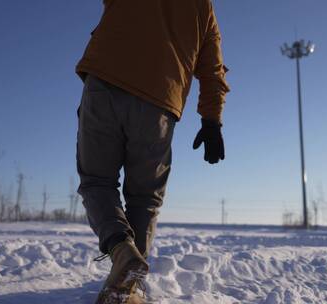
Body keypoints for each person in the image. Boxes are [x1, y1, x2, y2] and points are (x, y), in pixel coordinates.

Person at [75, 0, 229, 303]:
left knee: (97, 181)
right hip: (159, 99)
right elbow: (212, 70)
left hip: (106, 78)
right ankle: (128, 288)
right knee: (144, 197)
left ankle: (121, 251)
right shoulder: (203, 7)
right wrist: (212, 120)